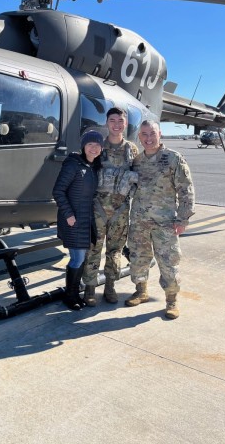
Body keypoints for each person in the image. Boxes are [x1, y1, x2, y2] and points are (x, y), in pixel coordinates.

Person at [126, 120, 195, 319]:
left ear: (160, 134)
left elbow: (186, 191)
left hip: (165, 223)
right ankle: (141, 291)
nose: (148, 138)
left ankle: (171, 300)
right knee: (138, 258)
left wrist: (183, 219)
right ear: (139, 137)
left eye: (152, 133)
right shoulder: (137, 161)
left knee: (169, 262)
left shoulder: (173, 159)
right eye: (144, 134)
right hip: (139, 221)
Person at [82, 106, 139, 306]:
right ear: (107, 123)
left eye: (120, 121)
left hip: (120, 209)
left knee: (115, 250)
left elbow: (137, 177)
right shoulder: (98, 147)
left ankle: (110, 286)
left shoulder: (131, 149)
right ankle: (90, 287)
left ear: (125, 124)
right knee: (93, 248)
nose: (116, 124)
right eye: (112, 120)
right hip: (97, 207)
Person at [52, 129, 104, 310]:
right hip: (73, 220)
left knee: (80, 258)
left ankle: (74, 294)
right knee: (77, 258)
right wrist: (69, 215)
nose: (94, 148)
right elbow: (58, 191)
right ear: (83, 146)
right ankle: (70, 296)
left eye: (98, 145)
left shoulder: (91, 167)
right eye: (90, 144)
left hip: (85, 220)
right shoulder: (73, 164)